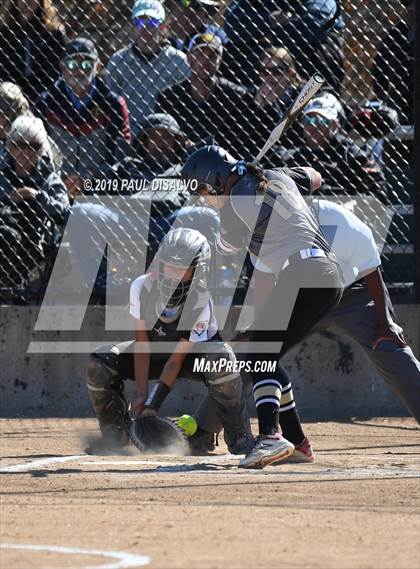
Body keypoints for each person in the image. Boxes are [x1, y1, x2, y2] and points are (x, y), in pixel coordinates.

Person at [190, 197, 420, 461]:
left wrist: (385, 322)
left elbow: (371, 270)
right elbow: (263, 286)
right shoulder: (267, 231)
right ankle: (202, 430)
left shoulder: (337, 219)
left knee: (389, 345)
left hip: (355, 291)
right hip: (303, 297)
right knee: (255, 352)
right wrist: (254, 330)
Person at [181, 145, 344, 469]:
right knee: (267, 357)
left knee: (259, 355)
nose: (202, 197)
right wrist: (271, 176)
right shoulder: (278, 176)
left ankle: (270, 436)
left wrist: (234, 203)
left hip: (303, 274)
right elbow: (315, 177)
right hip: (325, 276)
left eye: (201, 189)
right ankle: (298, 443)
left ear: (214, 179)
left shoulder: (233, 206)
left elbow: (227, 248)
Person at [85, 227, 254, 454]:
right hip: (155, 352)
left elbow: (175, 362)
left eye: (183, 268)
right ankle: (117, 436)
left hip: (192, 358)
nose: (174, 273)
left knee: (222, 359)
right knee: (101, 361)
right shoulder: (141, 287)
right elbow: (142, 346)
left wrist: (152, 406)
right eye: (170, 265)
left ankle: (238, 435)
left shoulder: (200, 300)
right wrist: (142, 395)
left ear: (198, 270)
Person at [35, 37, 131, 199]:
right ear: (62, 67)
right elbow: (36, 151)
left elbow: (121, 154)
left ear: (98, 67)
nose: (79, 71)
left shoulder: (113, 104)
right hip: (53, 187)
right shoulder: (46, 103)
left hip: (101, 189)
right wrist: (57, 181)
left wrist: (89, 181)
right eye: (72, 64)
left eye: (87, 65)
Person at [156, 32, 255, 158]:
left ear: (220, 61)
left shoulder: (236, 96)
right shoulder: (168, 97)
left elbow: (242, 141)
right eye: (200, 54)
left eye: (212, 55)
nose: (205, 60)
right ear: (189, 59)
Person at [0, 114, 69, 288]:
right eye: (20, 145)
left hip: (35, 237)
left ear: (41, 150)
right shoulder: (2, 176)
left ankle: (11, 290)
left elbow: (65, 211)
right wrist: (7, 200)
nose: (26, 152)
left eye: (33, 146)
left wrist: (37, 196)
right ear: (10, 147)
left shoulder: (49, 178)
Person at [106, 0, 190, 138]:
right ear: (134, 25)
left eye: (152, 23)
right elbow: (110, 105)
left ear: (162, 26)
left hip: (168, 137)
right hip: (129, 136)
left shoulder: (179, 61)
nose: (145, 28)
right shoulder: (118, 61)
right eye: (140, 22)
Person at [277, 92, 383, 196]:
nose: (315, 125)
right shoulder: (289, 157)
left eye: (323, 121)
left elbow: (379, 196)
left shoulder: (354, 154)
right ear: (302, 124)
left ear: (335, 125)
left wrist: (354, 204)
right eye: (309, 119)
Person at [222, 0, 344, 90]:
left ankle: (318, 97)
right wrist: (271, 18)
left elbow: (314, 24)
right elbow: (231, 22)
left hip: (304, 66)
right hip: (254, 70)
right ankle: (251, 93)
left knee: (322, 45)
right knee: (232, 47)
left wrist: (269, 36)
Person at [0, 0, 66, 100]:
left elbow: (54, 74)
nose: (27, 2)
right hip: (10, 95)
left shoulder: (53, 33)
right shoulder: (4, 33)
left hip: (45, 96)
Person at [372, 0, 414, 125]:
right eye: (409, 4)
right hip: (399, 103)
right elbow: (379, 67)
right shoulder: (396, 33)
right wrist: (383, 94)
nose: (412, 9)